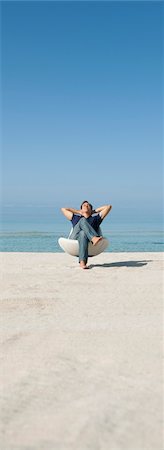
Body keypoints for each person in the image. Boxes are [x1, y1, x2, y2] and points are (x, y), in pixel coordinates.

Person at [61, 201, 112, 269]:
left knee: (83, 233)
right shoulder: (75, 218)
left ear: (91, 209)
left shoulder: (96, 219)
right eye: (84, 205)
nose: (86, 206)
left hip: (86, 239)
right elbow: (63, 209)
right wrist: (78, 212)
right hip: (75, 238)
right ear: (81, 209)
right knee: (82, 220)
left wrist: (94, 211)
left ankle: (82, 262)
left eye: (88, 205)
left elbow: (108, 207)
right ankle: (93, 238)